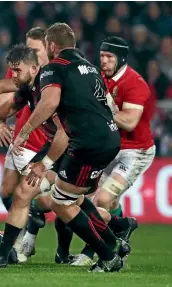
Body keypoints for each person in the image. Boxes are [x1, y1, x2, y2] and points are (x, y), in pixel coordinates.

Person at [0, 23, 125, 273]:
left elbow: (61, 131)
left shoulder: (52, 74)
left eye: (17, 70)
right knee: (41, 194)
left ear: (50, 47)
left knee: (60, 202)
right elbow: (12, 104)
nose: (12, 76)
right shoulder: (86, 68)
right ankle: (114, 240)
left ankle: (108, 252)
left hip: (82, 144)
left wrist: (41, 160)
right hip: (101, 139)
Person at [0, 27, 49, 260]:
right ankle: (24, 234)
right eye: (27, 47)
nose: (29, 52)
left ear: (48, 50)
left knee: (48, 199)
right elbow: (2, 93)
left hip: (42, 144)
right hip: (20, 141)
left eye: (35, 49)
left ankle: (26, 236)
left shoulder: (53, 75)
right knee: (6, 191)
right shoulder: (22, 71)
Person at [72, 36, 150, 266]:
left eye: (109, 57)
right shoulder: (100, 77)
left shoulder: (135, 83)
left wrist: (99, 109)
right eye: (102, 56)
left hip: (135, 151)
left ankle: (93, 251)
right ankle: (122, 226)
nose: (103, 61)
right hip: (108, 148)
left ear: (122, 58)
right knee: (83, 200)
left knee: (103, 199)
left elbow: (129, 121)